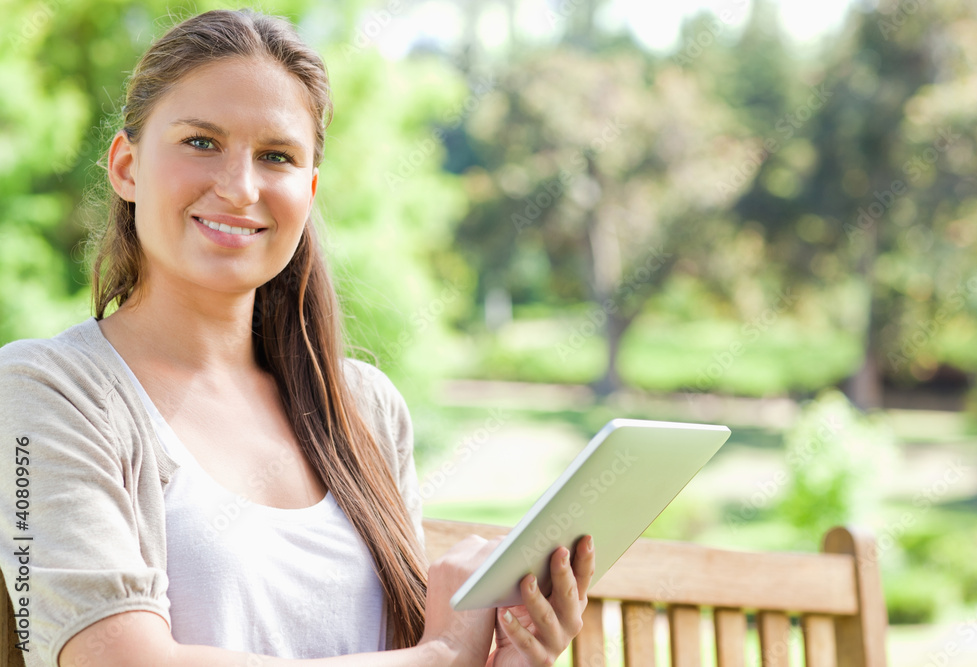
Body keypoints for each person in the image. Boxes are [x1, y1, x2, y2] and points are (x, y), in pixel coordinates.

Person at [0, 9, 594, 667]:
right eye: (201, 141)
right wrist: (450, 652)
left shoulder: (363, 405)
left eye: (276, 156)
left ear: (308, 191)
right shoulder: (44, 391)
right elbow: (114, 660)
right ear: (126, 166)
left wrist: (505, 657)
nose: (239, 187)